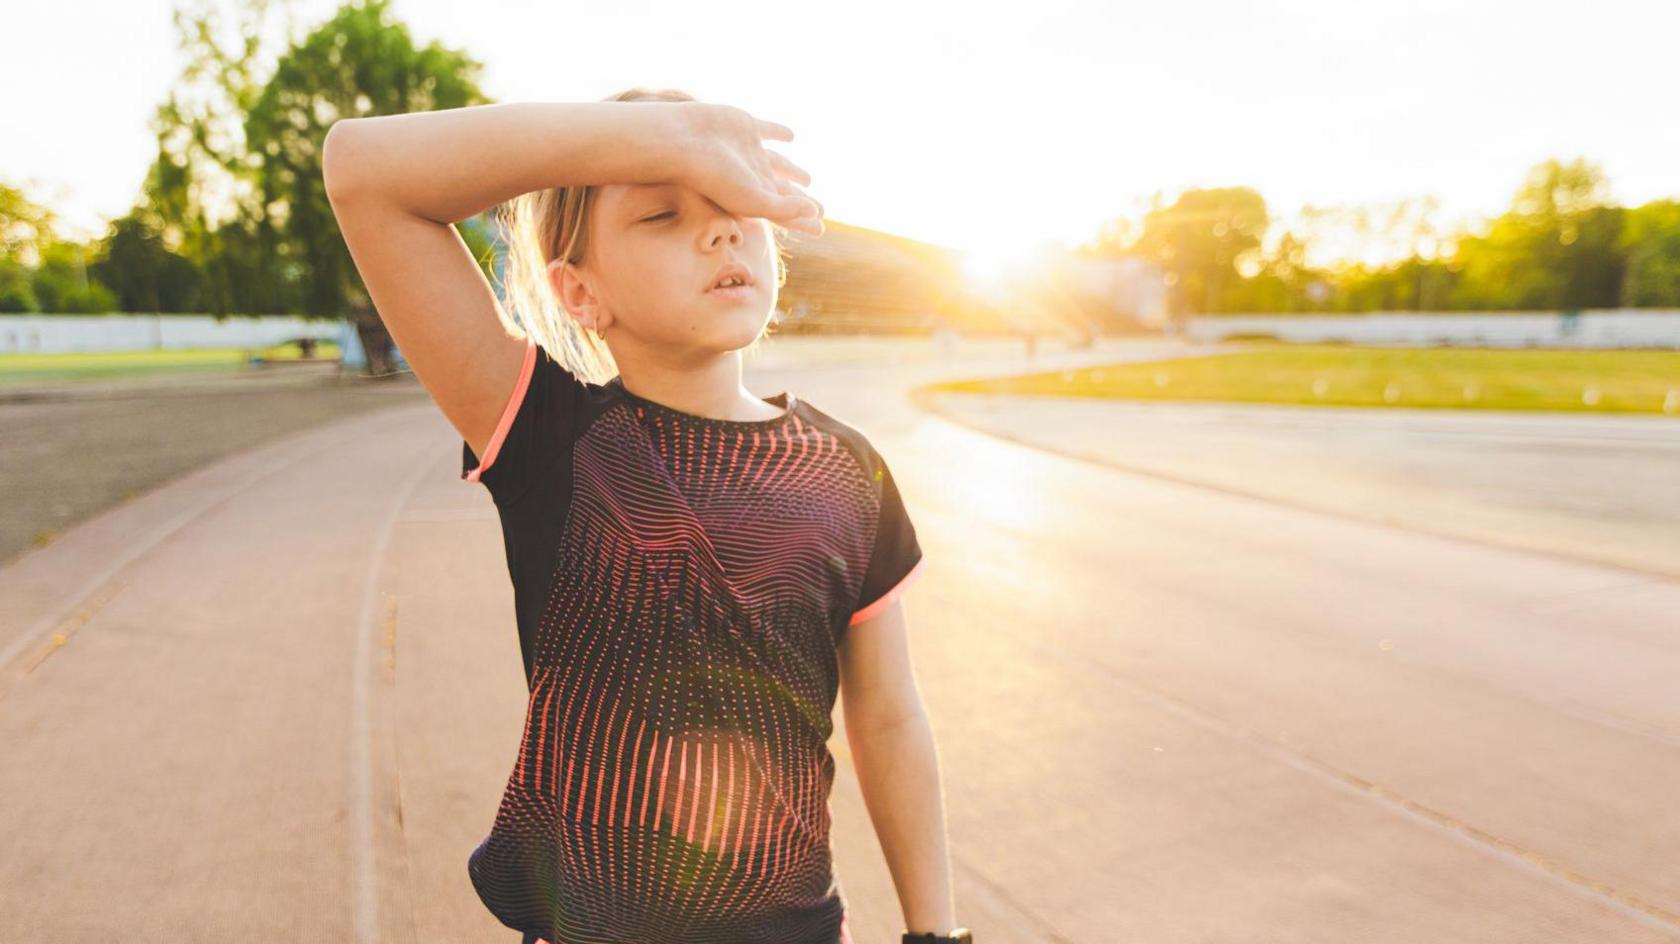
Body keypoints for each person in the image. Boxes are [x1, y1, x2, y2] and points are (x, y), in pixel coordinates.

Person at [322, 89, 971, 944]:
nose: (720, 231)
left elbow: (888, 717)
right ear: (578, 291)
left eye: (735, 205)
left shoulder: (845, 469)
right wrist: (660, 134)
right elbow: (364, 172)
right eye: (663, 213)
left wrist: (938, 933)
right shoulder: (553, 437)